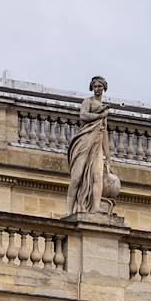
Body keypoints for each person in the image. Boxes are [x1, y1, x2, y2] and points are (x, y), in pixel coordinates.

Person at [66, 76, 119, 215]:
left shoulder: (103, 110)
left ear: (104, 88)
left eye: (99, 87)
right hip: (84, 143)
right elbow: (83, 116)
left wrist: (108, 157)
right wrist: (100, 115)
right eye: (95, 86)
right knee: (76, 178)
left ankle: (95, 206)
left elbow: (104, 134)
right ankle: (68, 210)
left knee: (98, 176)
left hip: (97, 145)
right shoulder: (88, 102)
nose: (97, 89)